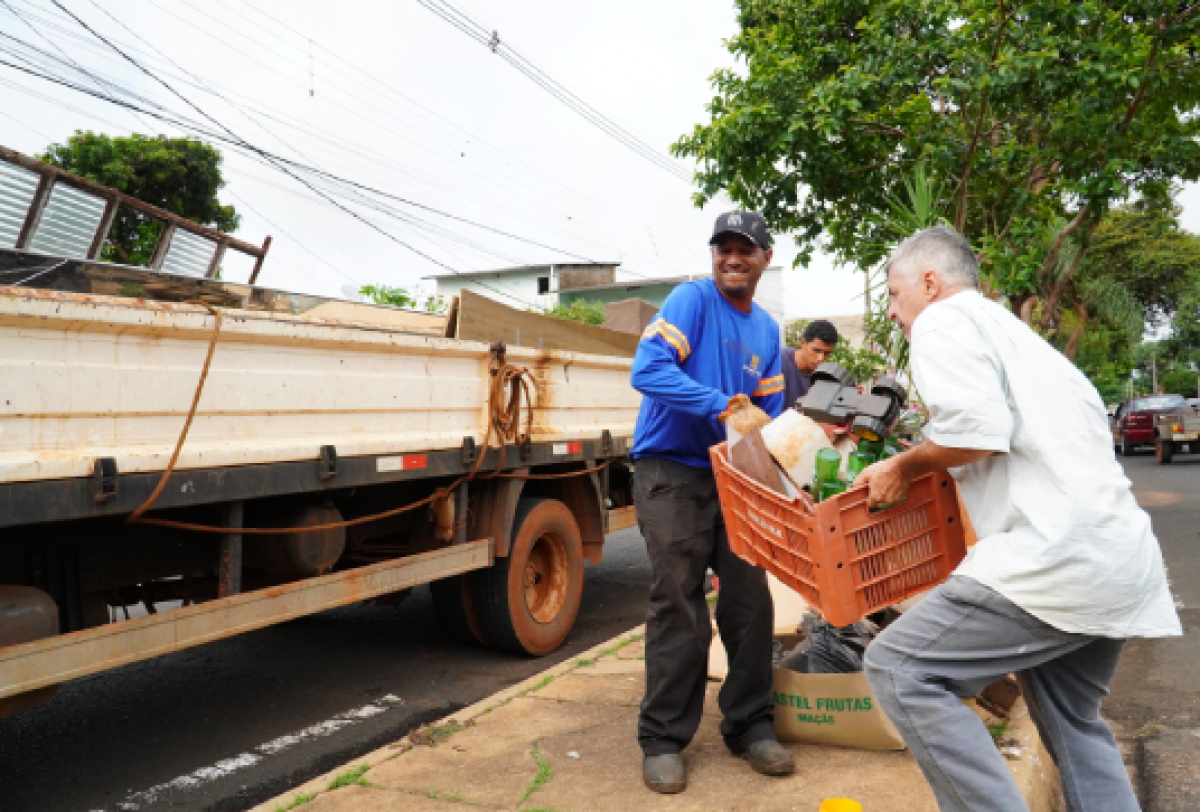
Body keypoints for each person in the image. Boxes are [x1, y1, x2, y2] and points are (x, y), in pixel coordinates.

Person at [856, 226, 1181, 812]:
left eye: (896, 294)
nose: (895, 311)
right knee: (1073, 724)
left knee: (900, 668)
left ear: (930, 283)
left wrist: (904, 464)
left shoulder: (942, 322)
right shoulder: (1021, 340)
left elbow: (974, 434)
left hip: (1053, 560)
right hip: (1116, 557)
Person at [630, 210, 794, 794]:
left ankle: (750, 725)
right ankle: (664, 738)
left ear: (764, 260)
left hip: (736, 477)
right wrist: (720, 404)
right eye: (723, 247)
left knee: (751, 600)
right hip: (670, 470)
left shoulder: (768, 331)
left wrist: (787, 476)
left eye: (745, 249)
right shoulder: (691, 300)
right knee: (679, 600)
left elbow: (769, 416)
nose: (732, 257)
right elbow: (647, 370)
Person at [782, 319, 838, 408]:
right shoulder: (779, 361)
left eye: (826, 353)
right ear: (803, 343)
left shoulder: (825, 377)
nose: (821, 358)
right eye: (816, 350)